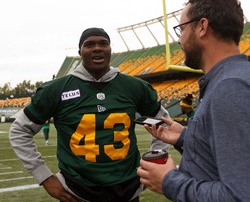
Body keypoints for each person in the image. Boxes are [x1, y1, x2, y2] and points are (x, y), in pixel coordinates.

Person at [137, 0, 250, 201]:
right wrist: (185, 137)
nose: (179, 40)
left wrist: (169, 181)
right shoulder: (233, 80)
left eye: (181, 29)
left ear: (202, 26)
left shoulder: (232, 89)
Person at [9, 27, 169, 202]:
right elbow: (19, 131)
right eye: (89, 44)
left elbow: (163, 123)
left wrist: (154, 163)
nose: (97, 48)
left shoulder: (134, 87)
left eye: (103, 43)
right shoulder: (56, 89)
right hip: (77, 190)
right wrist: (45, 178)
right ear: (80, 52)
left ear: (110, 49)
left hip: (128, 189)